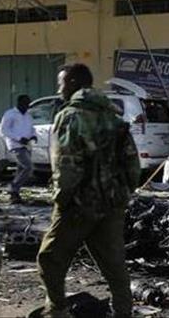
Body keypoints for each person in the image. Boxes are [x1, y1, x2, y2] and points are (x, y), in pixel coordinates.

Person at [37, 63, 140, 318]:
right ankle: (123, 312)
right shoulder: (114, 118)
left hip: (78, 205)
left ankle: (57, 311)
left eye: (61, 83)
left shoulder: (70, 116)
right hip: (112, 204)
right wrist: (123, 194)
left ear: (73, 83)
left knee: (49, 259)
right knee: (114, 265)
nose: (59, 89)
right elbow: (133, 164)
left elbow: (66, 164)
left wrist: (61, 199)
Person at [1, 94, 35, 204]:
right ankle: (13, 188)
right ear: (20, 103)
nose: (27, 106)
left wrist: (33, 136)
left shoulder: (28, 116)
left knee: (21, 169)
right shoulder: (10, 114)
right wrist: (19, 138)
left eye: (28, 104)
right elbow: (4, 130)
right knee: (28, 167)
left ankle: (15, 194)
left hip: (27, 145)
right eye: (26, 103)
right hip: (16, 145)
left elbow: (32, 128)